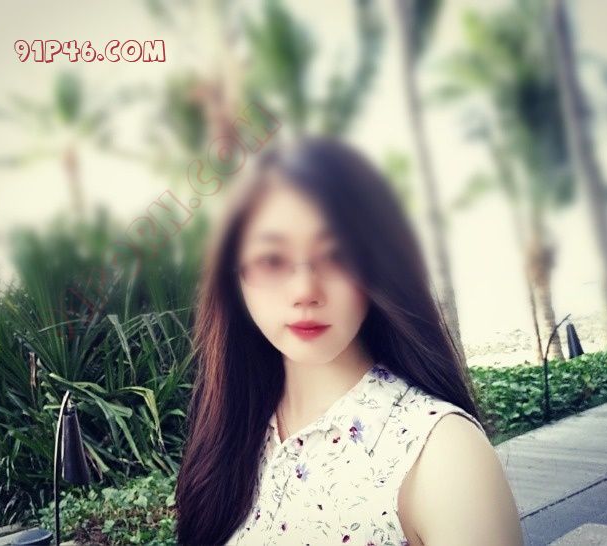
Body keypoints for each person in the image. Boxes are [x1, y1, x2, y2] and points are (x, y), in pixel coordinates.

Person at [175, 136, 524, 546]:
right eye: (271, 259)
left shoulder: (442, 455)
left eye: (338, 256)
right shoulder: (232, 436)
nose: (305, 290)